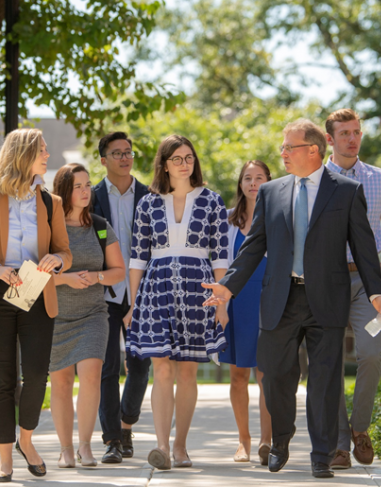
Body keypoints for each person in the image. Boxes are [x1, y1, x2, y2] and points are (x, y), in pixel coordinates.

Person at [203, 119, 381, 479]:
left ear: (313, 151)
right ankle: (282, 440)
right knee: (274, 374)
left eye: (289, 147)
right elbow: (255, 244)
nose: (283, 153)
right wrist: (228, 286)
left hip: (327, 299)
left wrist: (376, 292)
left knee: (323, 381)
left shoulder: (347, 191)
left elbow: (365, 248)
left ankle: (322, 455)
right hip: (280, 297)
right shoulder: (272, 192)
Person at [0, 128, 72, 483]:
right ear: (23, 154)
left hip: (37, 296)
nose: (47, 155)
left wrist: (56, 259)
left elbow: (65, 252)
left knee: (37, 374)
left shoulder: (50, 202)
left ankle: (26, 440)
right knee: (3, 380)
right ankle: (5, 459)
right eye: (42, 150)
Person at [125, 134, 229, 470]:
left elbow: (222, 257)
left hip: (199, 291)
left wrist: (222, 300)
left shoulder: (213, 201)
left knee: (186, 371)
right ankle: (161, 448)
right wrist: (132, 304)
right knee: (161, 368)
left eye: (189, 158)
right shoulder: (148, 204)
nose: (185, 164)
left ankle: (181, 446)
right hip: (156, 290)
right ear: (164, 164)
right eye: (177, 159)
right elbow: (138, 258)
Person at [323, 108, 381, 470]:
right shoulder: (316, 179)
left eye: (356, 131)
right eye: (344, 133)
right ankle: (340, 443)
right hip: (326, 280)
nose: (352, 138)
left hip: (368, 281)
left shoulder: (379, 178)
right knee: (325, 362)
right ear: (329, 139)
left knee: (372, 352)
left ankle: (360, 429)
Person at [50, 163, 126, 468]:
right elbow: (31, 275)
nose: (85, 191)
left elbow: (119, 272)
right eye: (78, 186)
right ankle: (65, 449)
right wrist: (66, 278)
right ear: (64, 191)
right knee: (61, 383)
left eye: (87, 184)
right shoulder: (49, 229)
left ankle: (85, 446)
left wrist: (97, 278)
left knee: (92, 376)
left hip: (94, 313)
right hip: (55, 315)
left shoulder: (100, 225)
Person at [91, 132, 152, 463]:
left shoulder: (149, 196)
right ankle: (113, 439)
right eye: (117, 153)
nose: (125, 158)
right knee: (107, 367)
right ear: (103, 160)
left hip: (141, 293)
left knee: (141, 365)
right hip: (104, 293)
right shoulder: (92, 197)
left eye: (128, 152)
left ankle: (127, 424)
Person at [218, 160, 272, 464]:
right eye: (248, 178)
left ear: (269, 182)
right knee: (238, 374)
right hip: (237, 302)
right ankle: (244, 441)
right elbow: (222, 267)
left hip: (268, 300)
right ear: (240, 184)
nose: (253, 183)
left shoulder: (279, 218)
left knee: (266, 373)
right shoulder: (227, 221)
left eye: (259, 178)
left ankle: (267, 441)